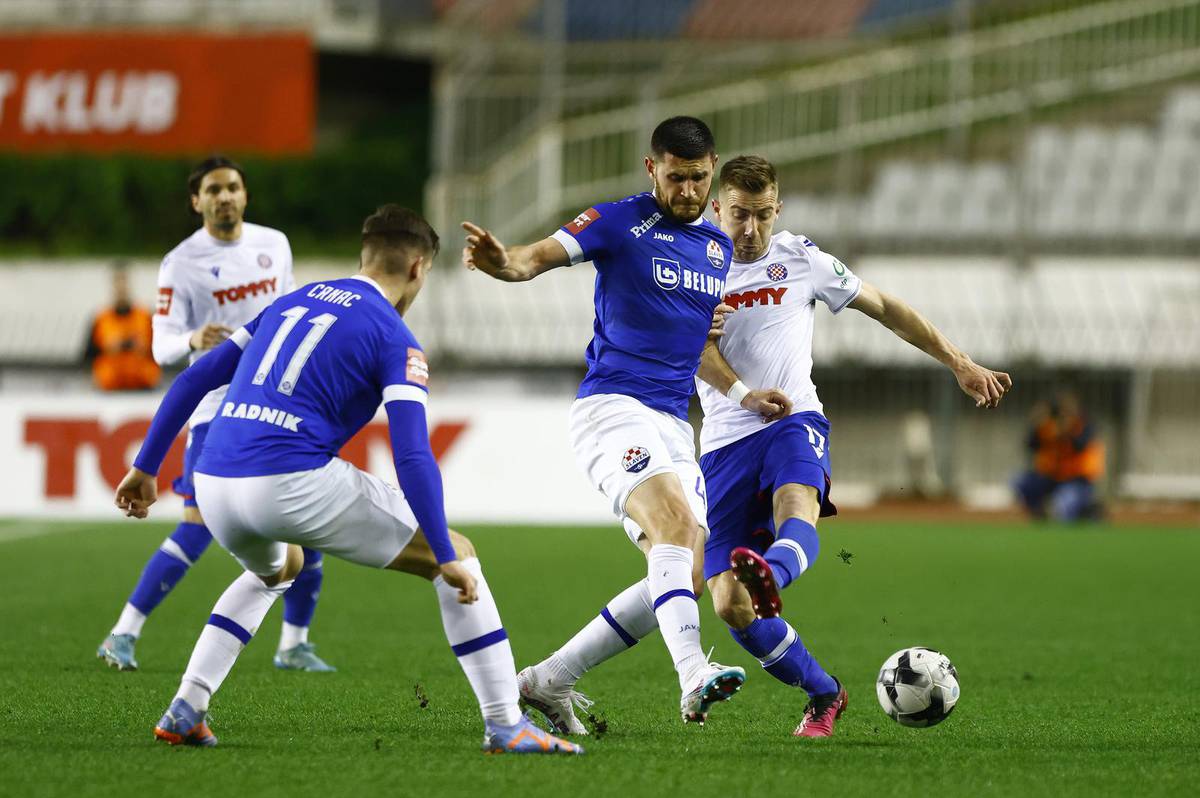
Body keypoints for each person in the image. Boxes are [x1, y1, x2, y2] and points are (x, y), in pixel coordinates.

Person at [515, 154, 1013, 738]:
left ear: (777, 210)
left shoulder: (803, 259)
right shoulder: (691, 261)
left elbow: (886, 307)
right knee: (722, 602)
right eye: (738, 216)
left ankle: (772, 572)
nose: (749, 231)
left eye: (761, 216)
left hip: (792, 421)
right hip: (721, 446)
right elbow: (690, 354)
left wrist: (959, 361)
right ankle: (823, 693)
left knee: (795, 507)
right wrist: (734, 381)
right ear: (718, 208)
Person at [113, 205, 580, 755]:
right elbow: (411, 454)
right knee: (455, 550)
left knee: (279, 567)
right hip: (286, 478)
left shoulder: (288, 302)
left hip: (213, 477)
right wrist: (440, 548)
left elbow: (195, 378)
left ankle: (187, 707)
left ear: (364, 256)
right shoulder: (394, 337)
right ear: (418, 269)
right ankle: (505, 724)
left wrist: (146, 468)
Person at [462, 117, 790, 729]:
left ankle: (548, 679)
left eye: (698, 179)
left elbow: (697, 346)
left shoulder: (718, 248)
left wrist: (742, 393)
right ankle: (693, 673)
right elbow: (535, 258)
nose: (687, 191)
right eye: (675, 178)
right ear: (651, 169)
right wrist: (502, 261)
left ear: (711, 171)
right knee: (672, 525)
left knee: (689, 566)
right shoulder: (619, 221)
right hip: (613, 407)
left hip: (671, 421)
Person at [97, 156, 335, 673]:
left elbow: (288, 314)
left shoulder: (274, 245)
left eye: (232, 187)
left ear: (245, 196)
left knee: (310, 520)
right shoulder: (180, 263)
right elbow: (160, 348)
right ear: (196, 201)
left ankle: (294, 644)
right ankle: (123, 633)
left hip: (277, 403)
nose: (224, 196)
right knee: (197, 525)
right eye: (213, 189)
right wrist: (191, 339)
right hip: (216, 407)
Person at [1014, 392, 1104, 521]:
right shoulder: (1049, 426)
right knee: (1020, 482)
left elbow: (1080, 445)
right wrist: (1035, 424)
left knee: (1062, 508)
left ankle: (1087, 510)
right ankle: (1037, 512)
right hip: (1052, 478)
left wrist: (1067, 431)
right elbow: (1031, 445)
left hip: (1078, 480)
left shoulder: (1084, 425)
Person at [84, 262, 161, 391]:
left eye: (124, 282)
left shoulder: (145, 317)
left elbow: (162, 351)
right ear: (112, 286)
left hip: (143, 383)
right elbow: (86, 357)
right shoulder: (101, 319)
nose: (121, 288)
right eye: (117, 283)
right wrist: (109, 348)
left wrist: (142, 347)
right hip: (109, 385)